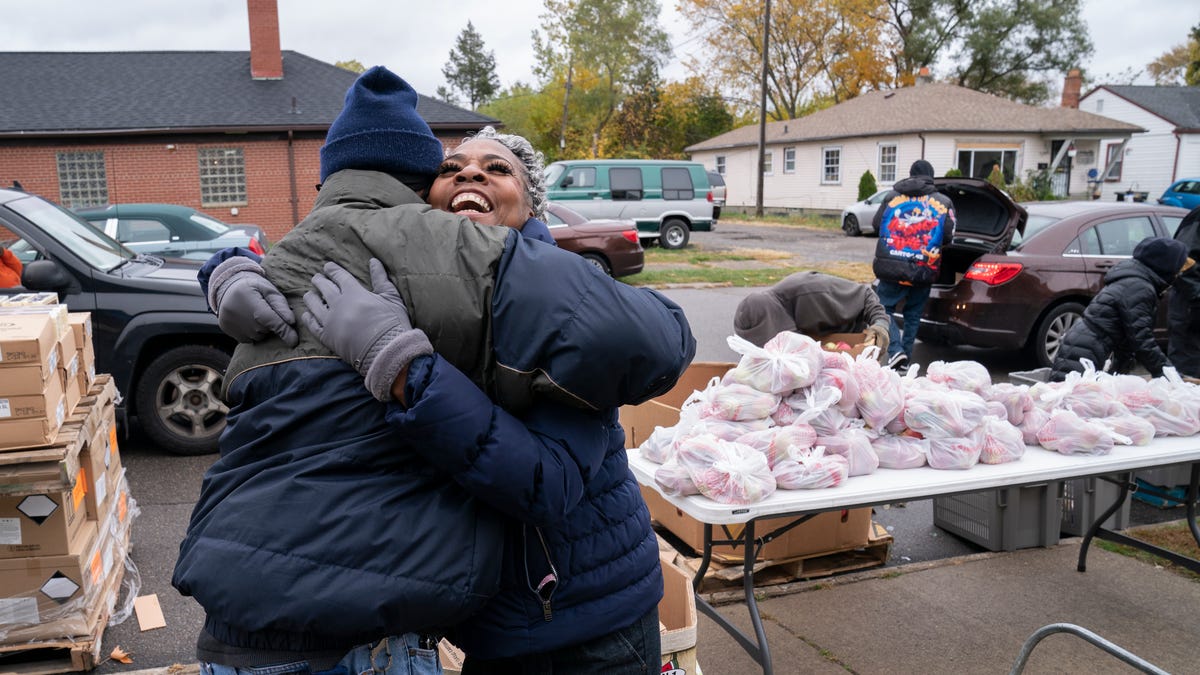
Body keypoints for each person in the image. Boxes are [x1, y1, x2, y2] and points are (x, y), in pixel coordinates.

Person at [172, 66, 694, 675]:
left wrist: (405, 368)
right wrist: (227, 269)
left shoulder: (548, 319)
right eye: (452, 169)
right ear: (423, 201)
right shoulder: (423, 282)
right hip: (488, 623)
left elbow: (545, 483)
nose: (471, 172)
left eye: (497, 169)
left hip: (582, 621)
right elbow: (330, 238)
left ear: (531, 207)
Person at [1050, 236, 1192, 381]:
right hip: (1086, 353)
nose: (1178, 274)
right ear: (1166, 266)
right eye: (1178, 268)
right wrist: (1169, 374)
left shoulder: (1137, 281)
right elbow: (1142, 340)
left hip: (1089, 347)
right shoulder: (1139, 287)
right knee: (1074, 399)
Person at [871, 159, 956, 371]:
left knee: (884, 308)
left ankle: (896, 352)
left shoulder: (891, 197)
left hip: (890, 267)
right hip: (923, 268)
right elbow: (947, 235)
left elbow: (875, 224)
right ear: (931, 177)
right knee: (912, 315)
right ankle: (903, 358)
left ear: (910, 174)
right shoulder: (944, 201)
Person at [733, 271, 891, 355]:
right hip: (813, 357)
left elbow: (865, 295)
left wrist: (880, 324)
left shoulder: (811, 291)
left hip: (850, 349)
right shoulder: (758, 316)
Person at [1168, 206, 1200, 378]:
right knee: (1188, 369)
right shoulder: (1197, 218)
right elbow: (1183, 260)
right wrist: (1197, 295)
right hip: (1191, 308)